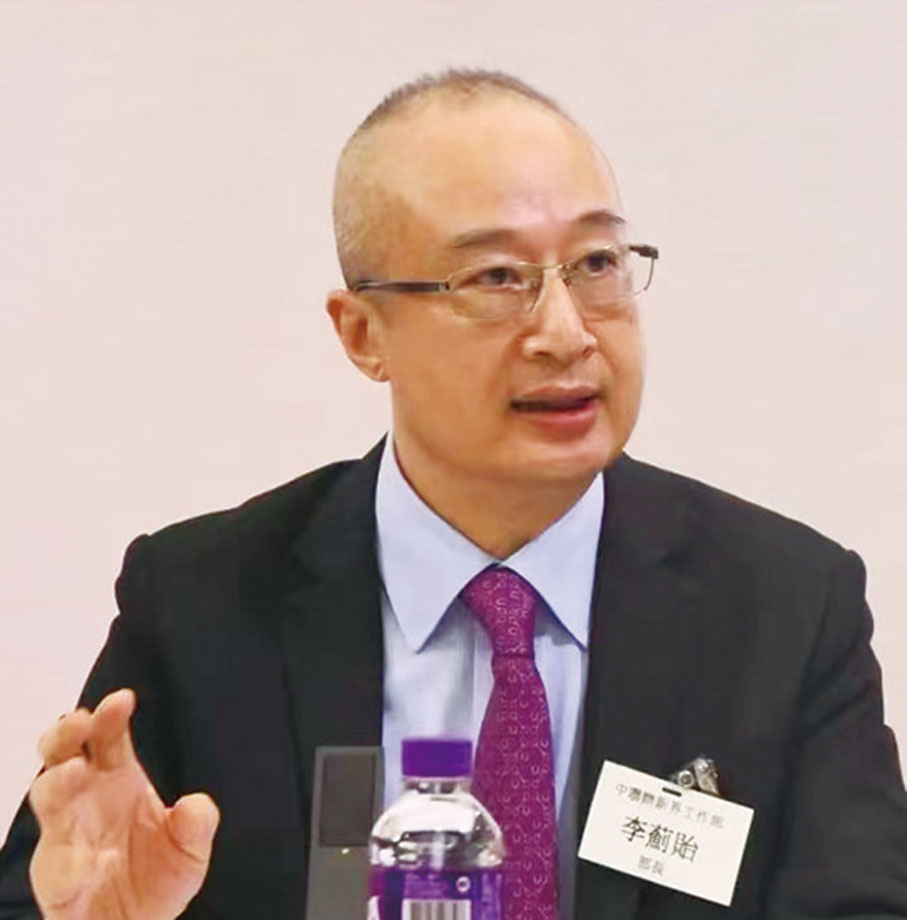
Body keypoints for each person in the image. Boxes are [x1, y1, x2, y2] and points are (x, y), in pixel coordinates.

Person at [1, 68, 906, 920]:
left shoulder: (785, 605)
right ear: (363, 334)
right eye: (496, 278)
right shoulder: (201, 601)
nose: (566, 333)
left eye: (596, 264)